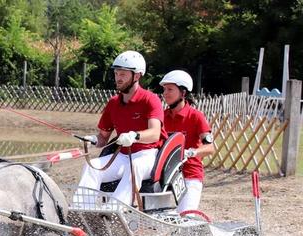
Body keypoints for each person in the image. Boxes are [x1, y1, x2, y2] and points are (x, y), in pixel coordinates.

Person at [77, 50, 167, 207]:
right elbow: (103, 138)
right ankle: (82, 211)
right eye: (116, 73)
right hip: (122, 156)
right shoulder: (113, 103)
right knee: (93, 166)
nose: (118, 78)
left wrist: (134, 136)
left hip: (147, 156)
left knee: (135, 167)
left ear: (137, 76)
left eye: (123, 74)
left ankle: (115, 209)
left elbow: (154, 134)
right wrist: (92, 139)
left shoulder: (150, 100)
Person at [160, 70, 215, 213]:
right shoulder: (161, 116)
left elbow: (210, 147)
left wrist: (191, 152)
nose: (165, 93)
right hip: (164, 175)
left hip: (190, 174)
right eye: (164, 89)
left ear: (183, 93)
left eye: (170, 89)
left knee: (186, 215)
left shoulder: (196, 116)